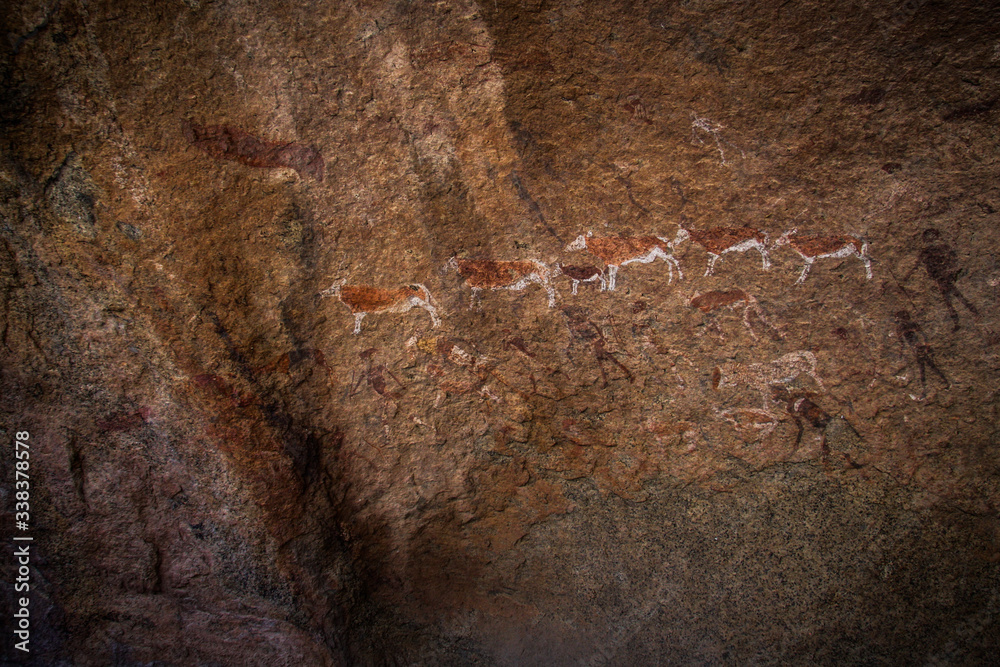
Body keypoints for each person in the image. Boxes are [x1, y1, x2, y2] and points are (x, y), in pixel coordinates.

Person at [907, 228, 979, 330]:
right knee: (952, 297)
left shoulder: (941, 248)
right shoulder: (926, 251)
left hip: (944, 276)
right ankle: (965, 317)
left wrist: (951, 270)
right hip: (939, 277)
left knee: (952, 298)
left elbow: (953, 258)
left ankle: (964, 317)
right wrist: (908, 276)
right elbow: (917, 265)